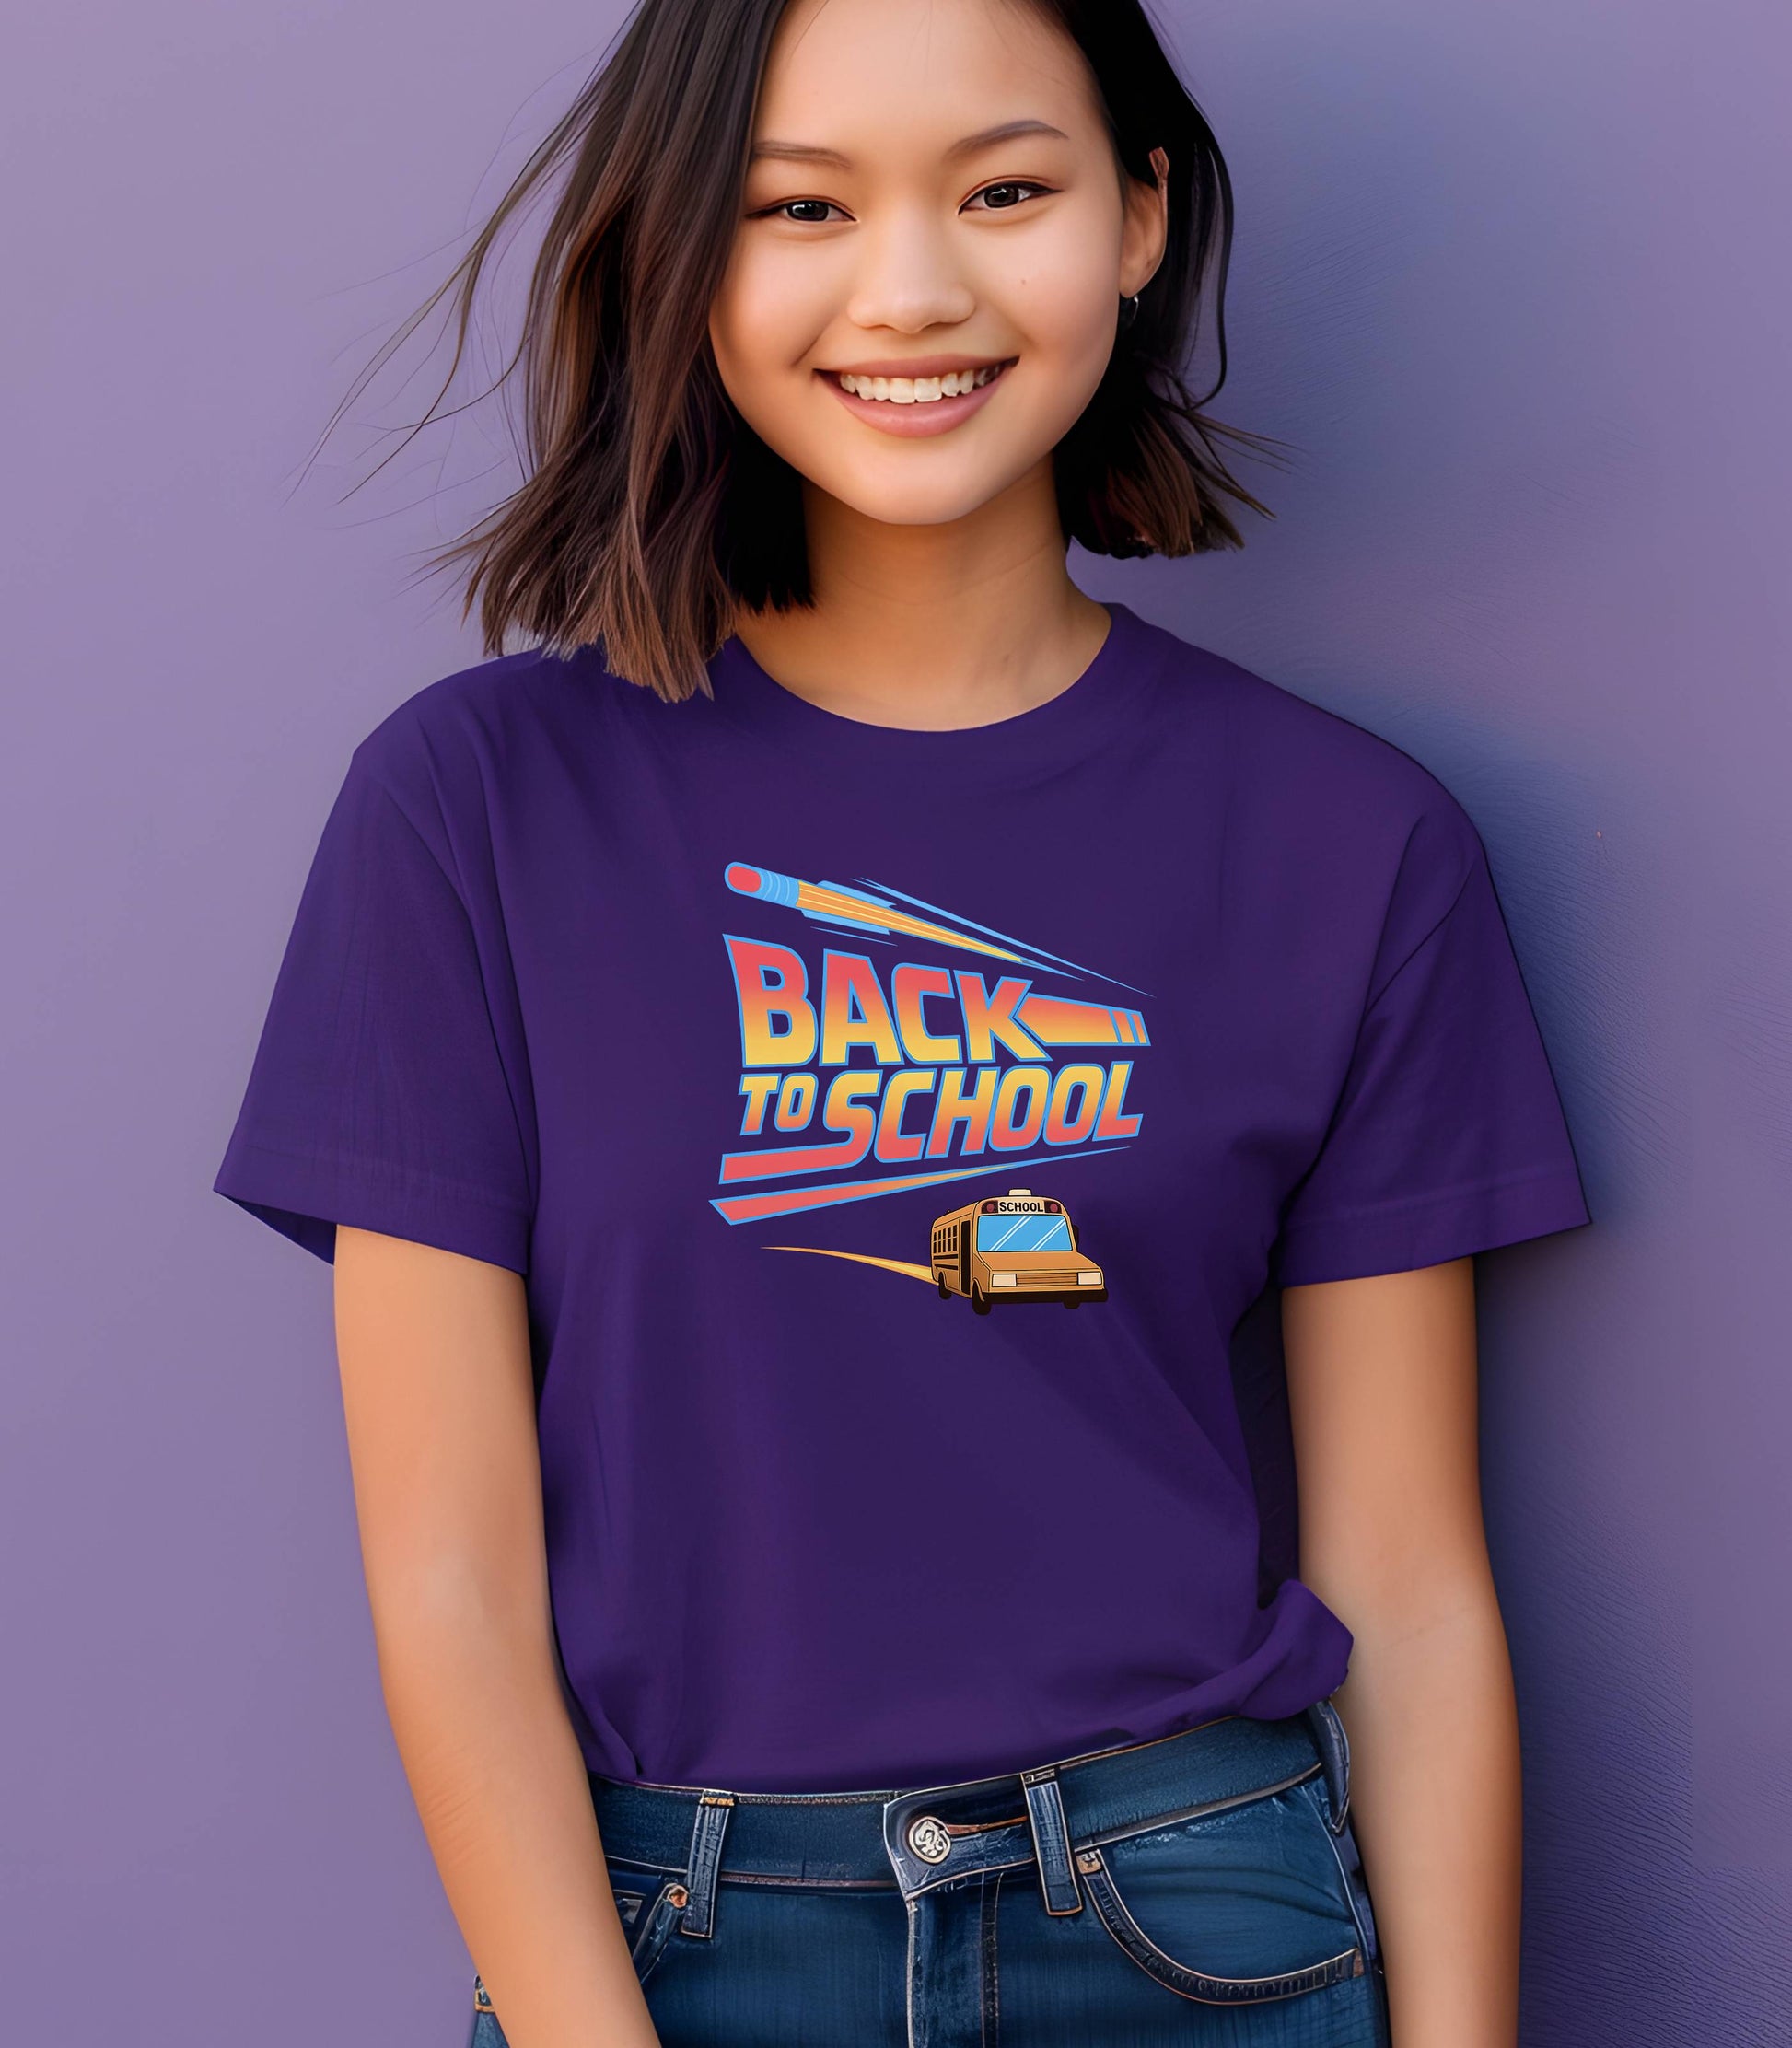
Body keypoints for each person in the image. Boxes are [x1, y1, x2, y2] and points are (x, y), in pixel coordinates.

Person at [214, 1, 1590, 2042]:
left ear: (1135, 220)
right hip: (673, 1940)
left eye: (1006, 189)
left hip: (1193, 1920)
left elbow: (1407, 1577)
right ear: (682, 247)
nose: (913, 288)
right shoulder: (475, 808)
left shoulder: (1349, 837)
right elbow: (453, 1584)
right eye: (800, 206)